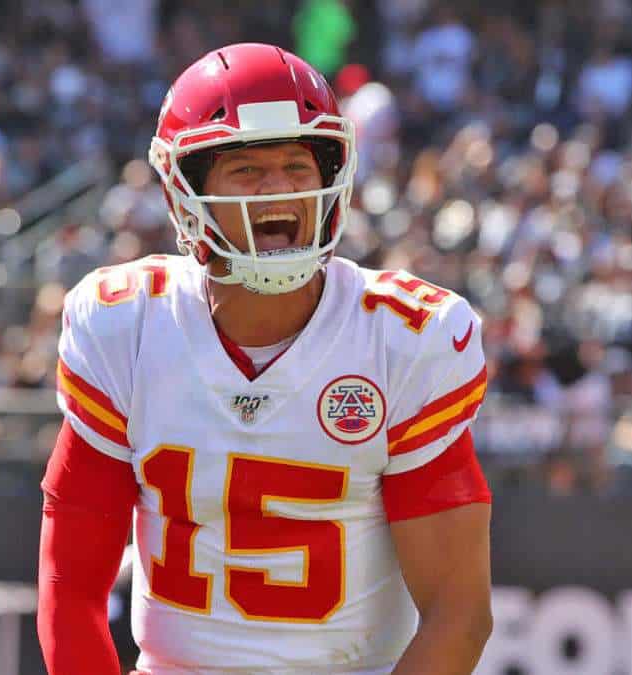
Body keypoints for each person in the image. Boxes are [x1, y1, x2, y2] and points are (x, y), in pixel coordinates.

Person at [37, 43, 493, 674]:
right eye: (246, 171)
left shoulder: (402, 341)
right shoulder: (129, 327)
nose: (277, 190)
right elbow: (71, 586)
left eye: (296, 166)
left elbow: (458, 608)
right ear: (187, 191)